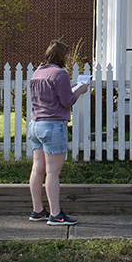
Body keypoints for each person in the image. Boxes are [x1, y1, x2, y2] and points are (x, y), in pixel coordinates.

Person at [27, 40, 89, 226]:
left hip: (36, 124)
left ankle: (38, 211)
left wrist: (72, 88)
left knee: (37, 169)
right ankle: (56, 215)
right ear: (62, 56)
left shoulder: (37, 73)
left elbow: (52, 97)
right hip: (53, 126)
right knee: (53, 172)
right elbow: (67, 101)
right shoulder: (60, 73)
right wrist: (80, 90)